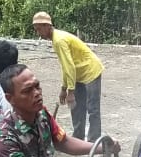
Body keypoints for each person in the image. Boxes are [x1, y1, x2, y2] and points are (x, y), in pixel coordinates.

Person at [31, 11, 104, 142]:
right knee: (76, 107)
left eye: (39, 29)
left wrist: (70, 91)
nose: (38, 33)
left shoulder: (59, 40)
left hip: (90, 70)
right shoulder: (56, 39)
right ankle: (78, 137)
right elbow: (66, 66)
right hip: (78, 74)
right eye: (36, 30)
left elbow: (69, 66)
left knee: (92, 108)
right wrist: (64, 88)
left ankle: (93, 142)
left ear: (47, 25)